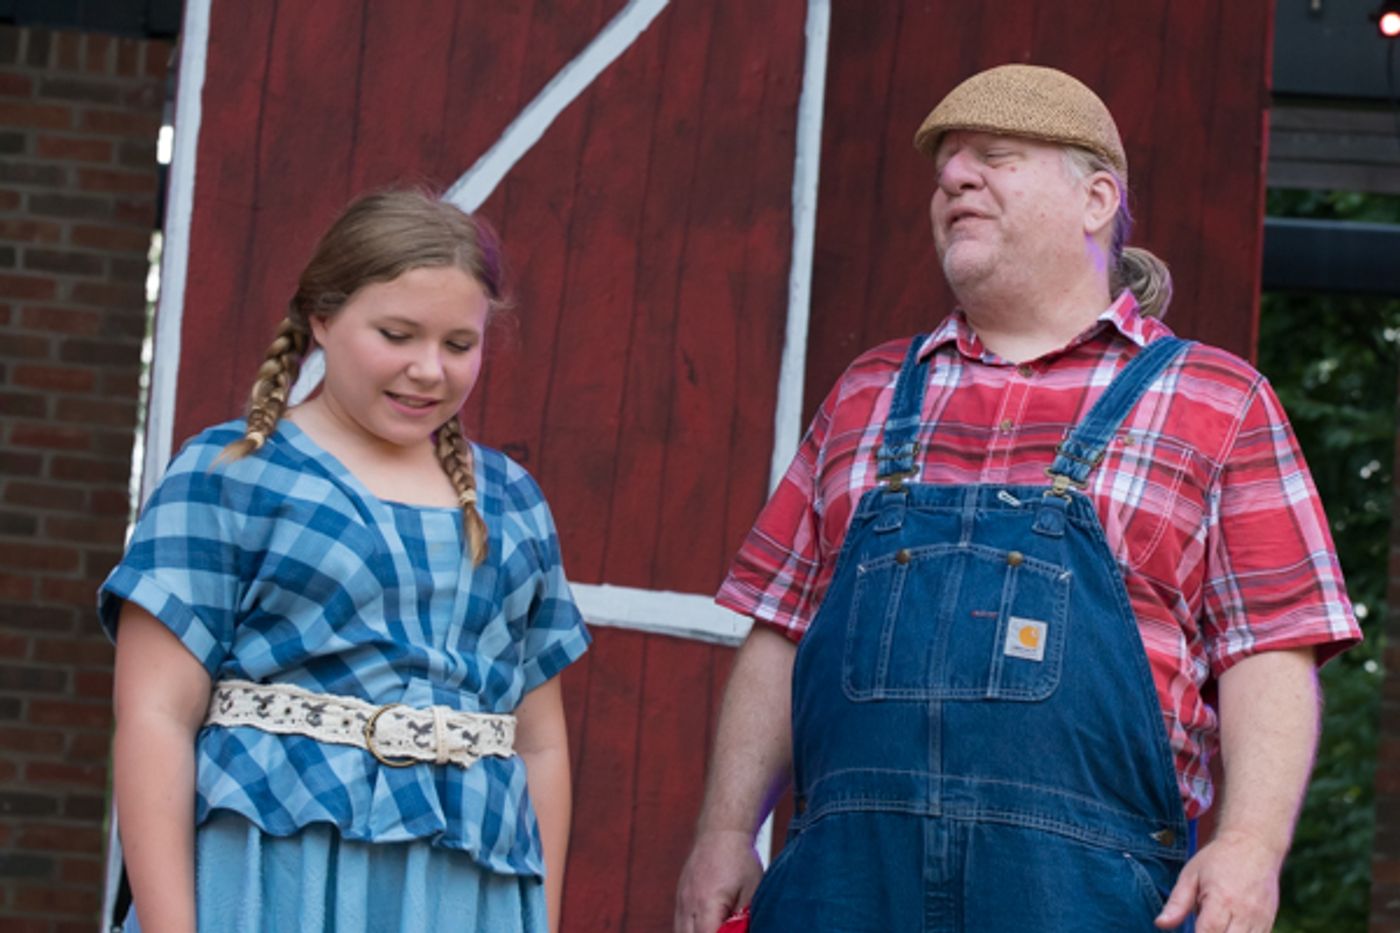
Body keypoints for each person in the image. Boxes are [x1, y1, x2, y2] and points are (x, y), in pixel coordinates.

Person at [675, 64, 1360, 933]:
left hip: (1090, 895)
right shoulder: (869, 392)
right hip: (843, 885)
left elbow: (1271, 648)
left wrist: (1253, 845)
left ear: (1096, 199)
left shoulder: (1219, 402)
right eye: (946, 170)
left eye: (993, 157)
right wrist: (727, 829)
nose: (955, 179)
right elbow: (781, 629)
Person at [102, 188, 590, 933]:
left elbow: (542, 742)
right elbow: (154, 716)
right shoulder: (230, 473)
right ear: (322, 319)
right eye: (397, 334)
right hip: (270, 888)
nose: (429, 369)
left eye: (459, 344)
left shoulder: (512, 503)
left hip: (462, 900)